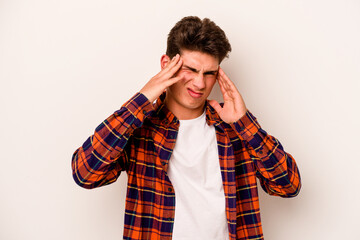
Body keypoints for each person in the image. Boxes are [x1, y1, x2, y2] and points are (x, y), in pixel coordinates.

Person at [72, 16, 301, 240]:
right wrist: (143, 99)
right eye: (191, 70)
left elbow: (288, 186)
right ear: (166, 65)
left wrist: (245, 124)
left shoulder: (233, 127)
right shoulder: (140, 126)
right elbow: (85, 173)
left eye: (209, 73)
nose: (200, 84)